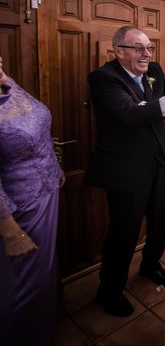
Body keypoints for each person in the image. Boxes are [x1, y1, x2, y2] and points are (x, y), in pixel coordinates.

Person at [85, 25, 165, 317]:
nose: (146, 54)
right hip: (124, 169)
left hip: (157, 161)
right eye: (138, 48)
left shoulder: (153, 70)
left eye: (148, 47)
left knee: (160, 220)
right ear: (119, 51)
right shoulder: (103, 79)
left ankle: (150, 265)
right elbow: (129, 114)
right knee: (124, 232)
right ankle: (110, 291)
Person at [0, 54, 65, 344]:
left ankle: (44, 325)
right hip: (20, 208)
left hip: (48, 192)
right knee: (23, 282)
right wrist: (10, 231)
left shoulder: (8, 86)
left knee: (44, 272)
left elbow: (37, 130)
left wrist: (56, 165)